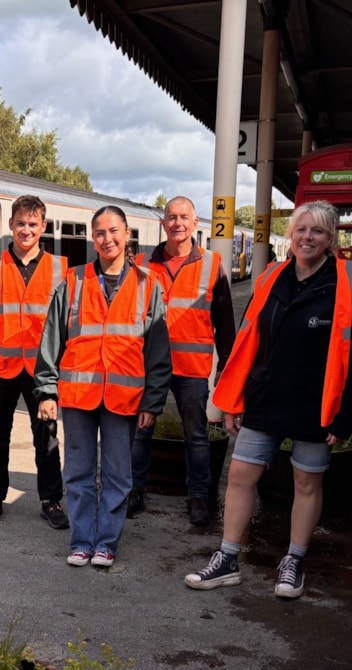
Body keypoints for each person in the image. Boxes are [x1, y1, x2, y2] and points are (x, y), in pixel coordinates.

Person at [184, 200, 352, 598]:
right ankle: (227, 558)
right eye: (301, 229)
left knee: (306, 481)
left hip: (317, 404)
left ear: (330, 239)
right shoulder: (271, 276)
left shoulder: (350, 282)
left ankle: (293, 561)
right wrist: (234, 401)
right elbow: (247, 343)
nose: (308, 237)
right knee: (239, 475)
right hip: (265, 397)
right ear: (291, 235)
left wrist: (346, 420)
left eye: (318, 232)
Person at [34, 206, 171, 568]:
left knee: (117, 475)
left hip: (124, 399)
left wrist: (152, 402)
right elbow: (52, 338)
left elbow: (158, 351)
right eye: (99, 233)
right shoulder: (74, 281)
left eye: (113, 231)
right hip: (79, 395)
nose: (107, 239)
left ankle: (106, 543)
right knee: (77, 472)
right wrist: (47, 391)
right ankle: (81, 541)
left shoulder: (147, 286)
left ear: (128, 235)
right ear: (91, 238)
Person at [127, 196, 236, 525]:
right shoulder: (144, 265)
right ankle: (135, 491)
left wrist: (225, 366)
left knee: (197, 435)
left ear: (195, 223)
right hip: (149, 367)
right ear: (163, 223)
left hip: (192, 369)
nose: (177, 223)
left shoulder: (212, 264)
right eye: (171, 217)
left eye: (183, 217)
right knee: (140, 432)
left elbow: (225, 322)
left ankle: (199, 496)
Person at [0, 195, 69, 528]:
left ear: (43, 227)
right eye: (20, 223)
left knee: (48, 436)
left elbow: (66, 323)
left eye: (33, 224)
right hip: (0, 369)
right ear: (10, 225)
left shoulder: (60, 269)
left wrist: (58, 372)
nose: (26, 230)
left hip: (43, 372)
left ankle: (51, 501)